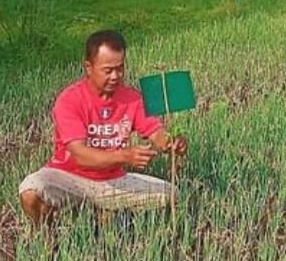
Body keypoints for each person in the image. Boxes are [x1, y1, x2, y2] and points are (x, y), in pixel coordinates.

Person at [19, 30, 187, 226]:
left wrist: (170, 143)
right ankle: (46, 236)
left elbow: (155, 132)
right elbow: (80, 155)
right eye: (108, 70)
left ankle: (106, 213)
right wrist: (124, 156)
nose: (116, 76)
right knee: (31, 190)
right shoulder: (69, 100)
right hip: (67, 177)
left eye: (120, 68)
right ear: (88, 67)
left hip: (112, 180)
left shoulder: (132, 98)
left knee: (172, 196)